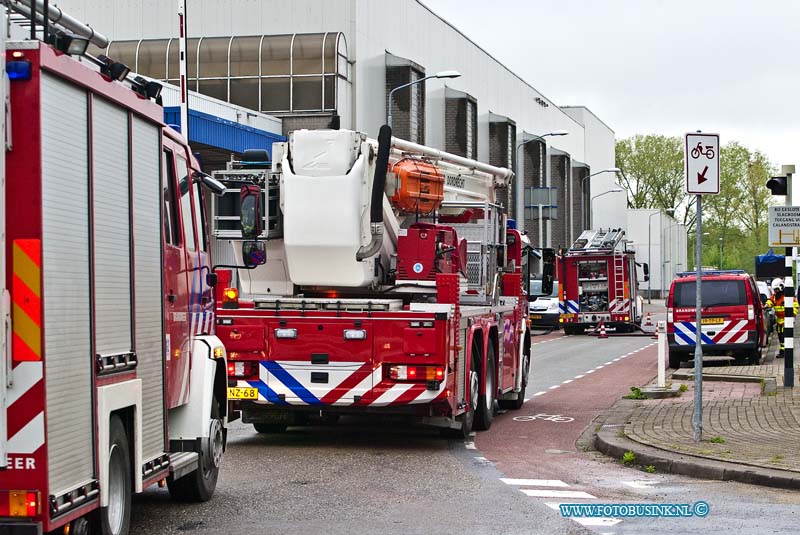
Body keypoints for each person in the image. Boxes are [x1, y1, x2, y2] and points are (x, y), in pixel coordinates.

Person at [765, 278, 799, 358]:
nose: (776, 291)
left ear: (781, 287)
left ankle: (785, 351)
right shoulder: (775, 297)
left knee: (785, 336)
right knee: (780, 336)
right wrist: (766, 305)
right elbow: (770, 301)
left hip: (786, 320)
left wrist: (791, 315)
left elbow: (795, 305)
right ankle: (783, 350)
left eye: (777, 289)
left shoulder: (787, 296)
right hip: (779, 320)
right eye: (775, 290)